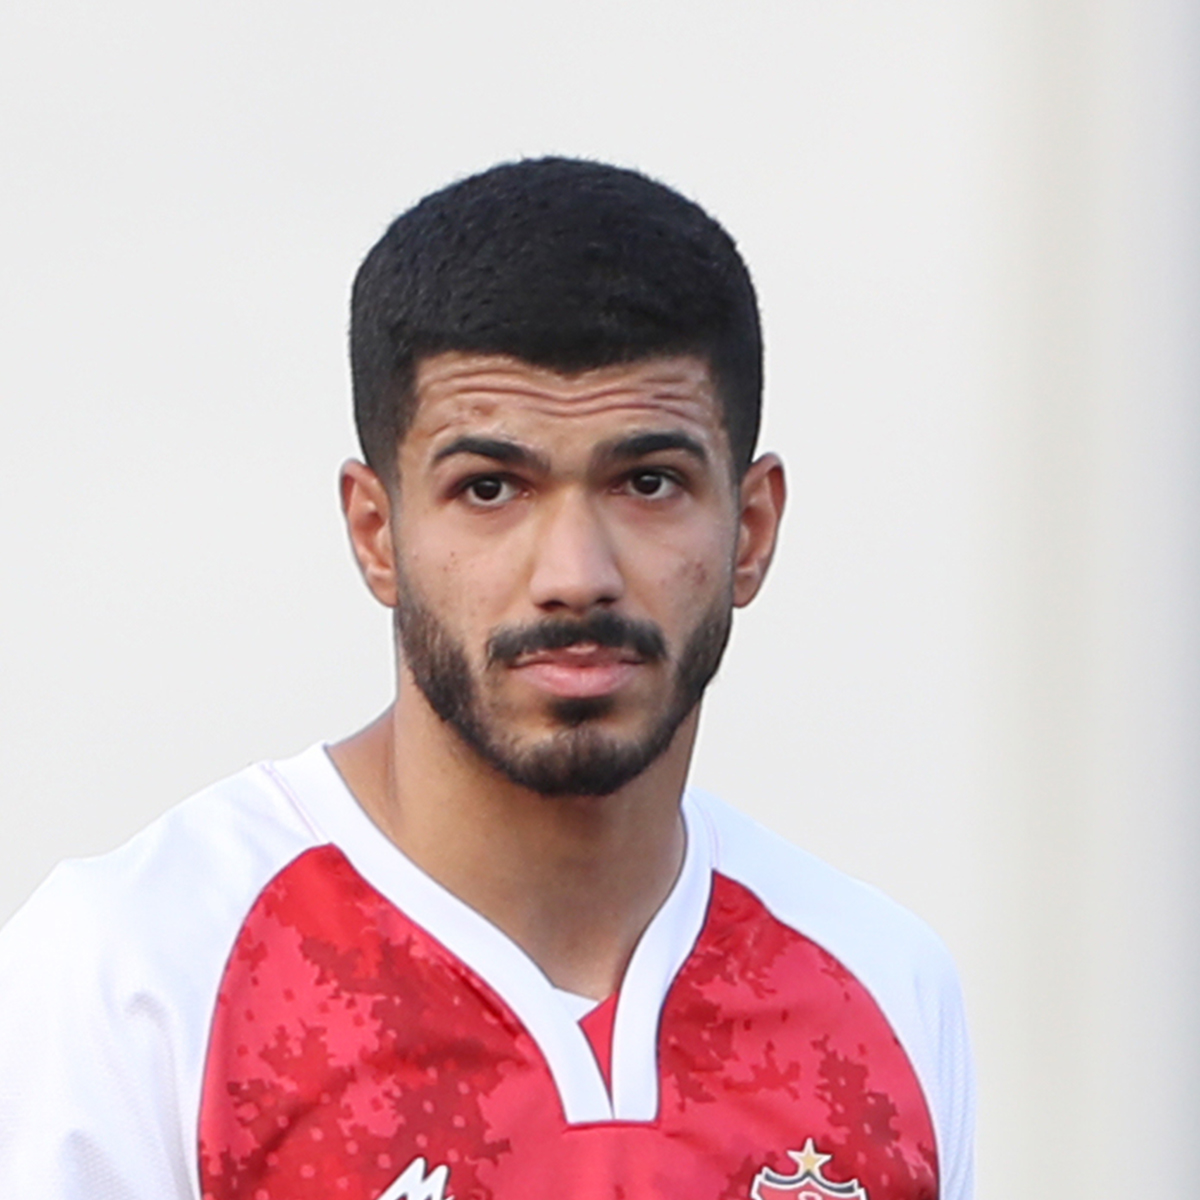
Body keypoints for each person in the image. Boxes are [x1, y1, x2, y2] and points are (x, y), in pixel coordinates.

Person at [0, 158, 973, 1200]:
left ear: (753, 529)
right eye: (491, 489)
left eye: (648, 483)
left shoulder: (881, 985)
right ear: (376, 533)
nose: (576, 575)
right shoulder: (140, 976)